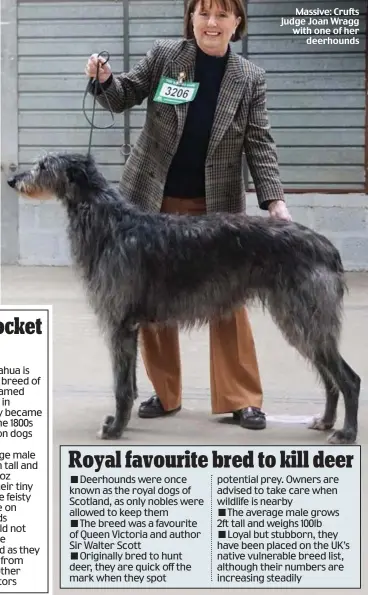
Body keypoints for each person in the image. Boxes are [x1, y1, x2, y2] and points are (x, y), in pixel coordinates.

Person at [84, 0, 292, 431]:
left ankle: (241, 398)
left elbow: (260, 143)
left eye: (221, 15)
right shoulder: (166, 56)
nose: (211, 23)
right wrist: (104, 81)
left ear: (237, 23)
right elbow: (124, 95)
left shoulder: (250, 79)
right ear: (191, 19)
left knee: (230, 301)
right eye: (203, 14)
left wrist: (274, 201)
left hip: (216, 208)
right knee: (152, 301)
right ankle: (165, 392)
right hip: (152, 201)